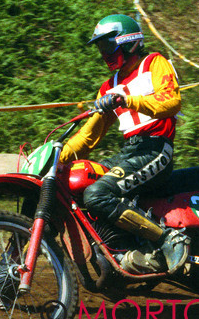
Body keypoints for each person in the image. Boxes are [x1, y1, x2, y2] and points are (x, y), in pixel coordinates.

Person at [58, 14, 190, 275]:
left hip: (156, 149)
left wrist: (127, 101)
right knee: (73, 180)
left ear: (128, 42)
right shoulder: (109, 87)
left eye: (108, 46)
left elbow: (171, 102)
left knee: (97, 194)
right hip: (129, 153)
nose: (104, 54)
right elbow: (88, 136)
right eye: (100, 48)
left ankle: (168, 239)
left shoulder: (154, 63)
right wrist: (56, 155)